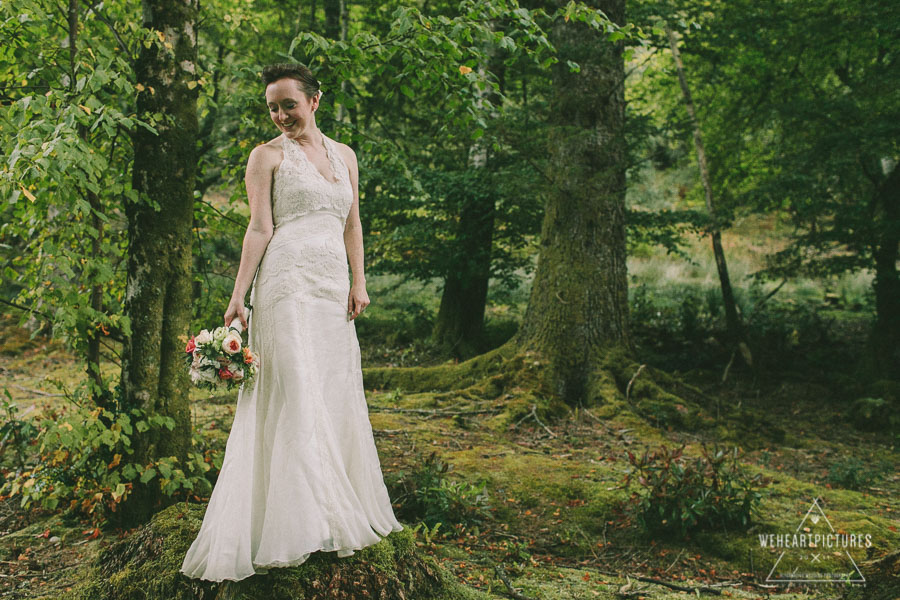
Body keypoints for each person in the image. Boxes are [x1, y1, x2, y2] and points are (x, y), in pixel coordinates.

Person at [180, 63, 403, 583]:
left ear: (315, 101)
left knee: (333, 390)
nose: (280, 115)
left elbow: (352, 222)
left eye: (289, 105)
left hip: (332, 290)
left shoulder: (345, 155)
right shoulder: (266, 157)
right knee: (297, 391)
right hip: (286, 284)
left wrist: (359, 282)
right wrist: (238, 297)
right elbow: (259, 228)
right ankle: (300, 524)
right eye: (273, 108)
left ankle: (337, 505)